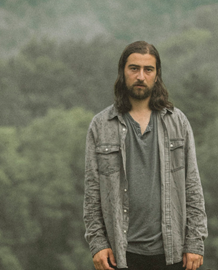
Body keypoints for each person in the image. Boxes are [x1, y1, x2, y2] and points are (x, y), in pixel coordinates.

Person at [83, 41, 208, 270]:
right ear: (123, 72)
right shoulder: (101, 126)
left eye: (148, 69)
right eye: (134, 68)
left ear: (156, 75)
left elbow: (192, 187)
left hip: (172, 253)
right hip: (121, 255)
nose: (141, 76)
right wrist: (98, 243)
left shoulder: (177, 122)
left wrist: (195, 242)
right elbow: (92, 194)